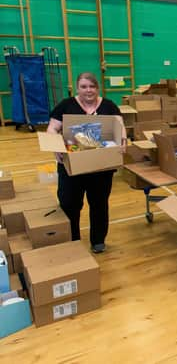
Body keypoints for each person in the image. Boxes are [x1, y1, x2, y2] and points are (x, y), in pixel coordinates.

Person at [47, 72, 126, 254]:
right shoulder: (66, 105)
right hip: (72, 166)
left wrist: (123, 142)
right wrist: (56, 146)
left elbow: (119, 128)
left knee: (99, 203)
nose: (88, 90)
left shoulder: (109, 106)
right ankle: (73, 238)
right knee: (69, 203)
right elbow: (52, 129)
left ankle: (98, 240)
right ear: (77, 88)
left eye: (91, 86)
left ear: (97, 88)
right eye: (84, 87)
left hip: (100, 166)